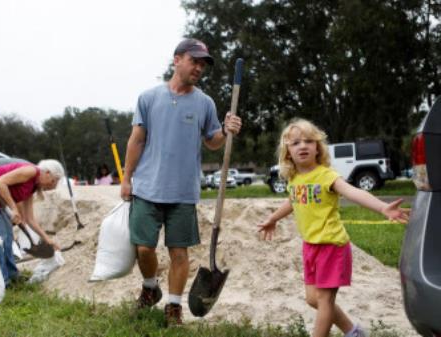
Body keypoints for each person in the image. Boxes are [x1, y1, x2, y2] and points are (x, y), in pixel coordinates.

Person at [120, 37, 242, 326]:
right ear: (177, 60)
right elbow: (136, 140)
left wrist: (225, 130)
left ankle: (174, 308)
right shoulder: (148, 98)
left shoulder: (205, 103)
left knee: (179, 252)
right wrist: (126, 179)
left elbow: (213, 142)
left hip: (184, 192)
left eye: (203, 64)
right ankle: (151, 287)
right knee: (144, 248)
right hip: (147, 188)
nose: (199, 67)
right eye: (194, 61)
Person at [257, 119, 409, 337]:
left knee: (325, 299)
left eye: (309, 141)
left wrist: (383, 207)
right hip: (310, 245)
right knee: (313, 299)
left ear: (317, 148)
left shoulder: (326, 175)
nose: (303, 146)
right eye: (296, 142)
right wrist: (273, 218)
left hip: (331, 245)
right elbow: (292, 200)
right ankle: (353, 332)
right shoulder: (295, 178)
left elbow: (353, 192)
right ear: (288, 151)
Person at [0, 159, 64, 287]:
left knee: (8, 234)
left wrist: (47, 239)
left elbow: (29, 219)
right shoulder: (31, 170)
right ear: (47, 173)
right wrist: (13, 208)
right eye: (54, 180)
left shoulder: (31, 188)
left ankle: (12, 275)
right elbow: (0, 182)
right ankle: (0, 280)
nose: (53, 185)